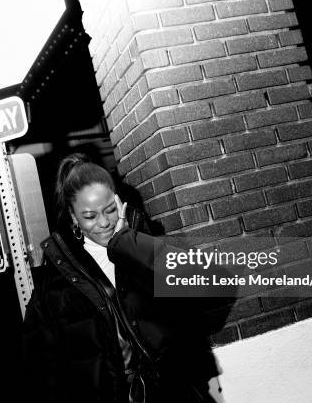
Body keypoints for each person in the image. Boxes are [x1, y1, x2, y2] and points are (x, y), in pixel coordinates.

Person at [23, 153, 219, 403]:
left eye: (109, 210)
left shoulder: (145, 242)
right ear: (73, 217)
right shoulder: (54, 280)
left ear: (119, 200)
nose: (104, 223)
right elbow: (40, 368)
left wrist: (128, 244)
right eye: (90, 216)